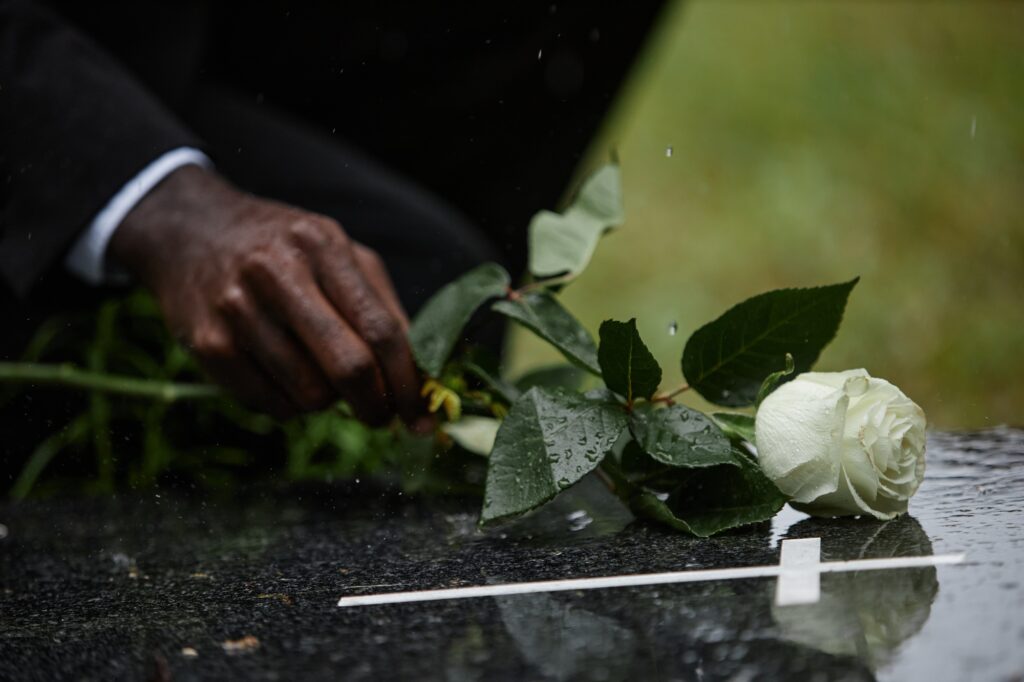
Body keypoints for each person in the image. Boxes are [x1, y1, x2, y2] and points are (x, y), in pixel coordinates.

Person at [0, 2, 665, 425]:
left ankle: (445, 362)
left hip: (239, 44)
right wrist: (157, 200)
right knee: (423, 273)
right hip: (63, 57)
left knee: (448, 297)